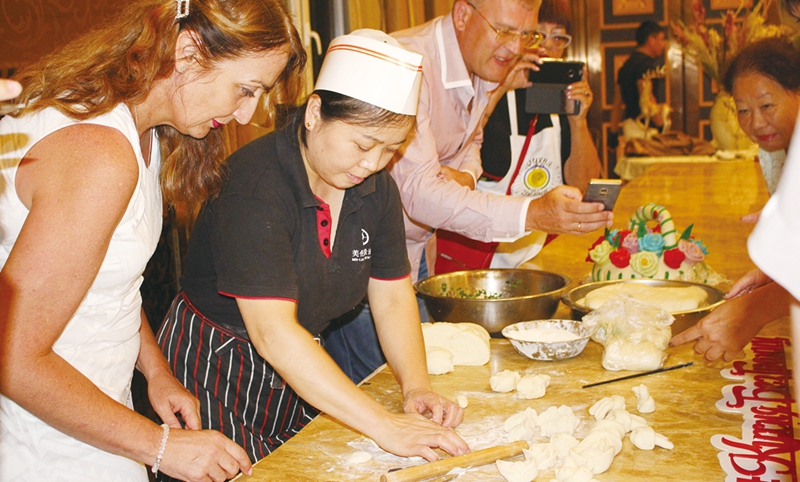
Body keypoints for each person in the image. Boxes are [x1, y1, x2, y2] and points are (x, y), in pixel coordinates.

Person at [0, 0, 306, 480]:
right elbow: (13, 358)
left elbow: (107, 278)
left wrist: (156, 371)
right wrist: (161, 447)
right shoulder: (98, 156)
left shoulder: (142, 133)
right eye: (245, 89)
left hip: (95, 417)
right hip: (42, 448)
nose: (246, 112)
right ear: (188, 53)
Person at [156, 30, 470, 467]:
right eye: (362, 144)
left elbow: (393, 295)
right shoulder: (255, 186)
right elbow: (273, 333)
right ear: (315, 113)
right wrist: (384, 425)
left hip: (299, 365)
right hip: (215, 375)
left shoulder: (374, 190)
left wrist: (415, 386)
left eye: (390, 150)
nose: (373, 164)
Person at [323, 0, 613, 384]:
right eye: (505, 30)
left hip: (413, 253)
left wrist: (465, 177)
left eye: (526, 34)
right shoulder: (409, 64)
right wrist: (533, 214)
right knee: (379, 393)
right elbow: (421, 194)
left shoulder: (482, 63)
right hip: (360, 265)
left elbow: (470, 140)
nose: (516, 47)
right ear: (462, 14)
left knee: (425, 383)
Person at [670, 37, 800, 361]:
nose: (755, 123)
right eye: (743, 110)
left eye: (767, 105)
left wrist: (752, 311)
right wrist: (774, 271)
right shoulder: (774, 152)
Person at [451, 0, 601, 269]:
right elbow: (451, 164)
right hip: (480, 257)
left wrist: (579, 122)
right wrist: (498, 91)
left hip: (538, 257)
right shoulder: (481, 85)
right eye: (537, 34)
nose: (546, 46)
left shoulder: (562, 101)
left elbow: (584, 187)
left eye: (558, 37)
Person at [609, 21, 668, 145]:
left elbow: (617, 103)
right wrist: (661, 126)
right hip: (646, 129)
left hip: (630, 127)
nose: (664, 44)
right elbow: (646, 98)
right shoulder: (646, 65)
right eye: (662, 39)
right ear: (651, 40)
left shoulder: (626, 66)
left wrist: (613, 132)